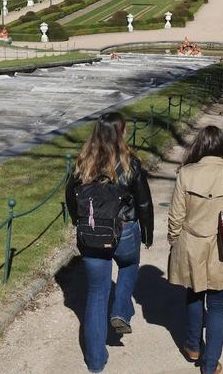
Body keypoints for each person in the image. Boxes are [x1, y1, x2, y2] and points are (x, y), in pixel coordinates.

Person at [65, 112, 154, 373]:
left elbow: (71, 196)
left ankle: (95, 362)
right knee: (129, 266)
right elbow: (144, 202)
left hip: (91, 234)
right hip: (124, 230)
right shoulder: (130, 163)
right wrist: (147, 233)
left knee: (95, 295)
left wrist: (77, 221)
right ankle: (121, 311)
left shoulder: (82, 163)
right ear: (121, 133)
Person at [167, 126, 223, 374]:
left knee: (194, 294)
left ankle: (194, 346)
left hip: (192, 244)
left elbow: (176, 215)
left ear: (200, 147)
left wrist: (174, 240)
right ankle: (209, 364)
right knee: (218, 307)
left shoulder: (186, 173)